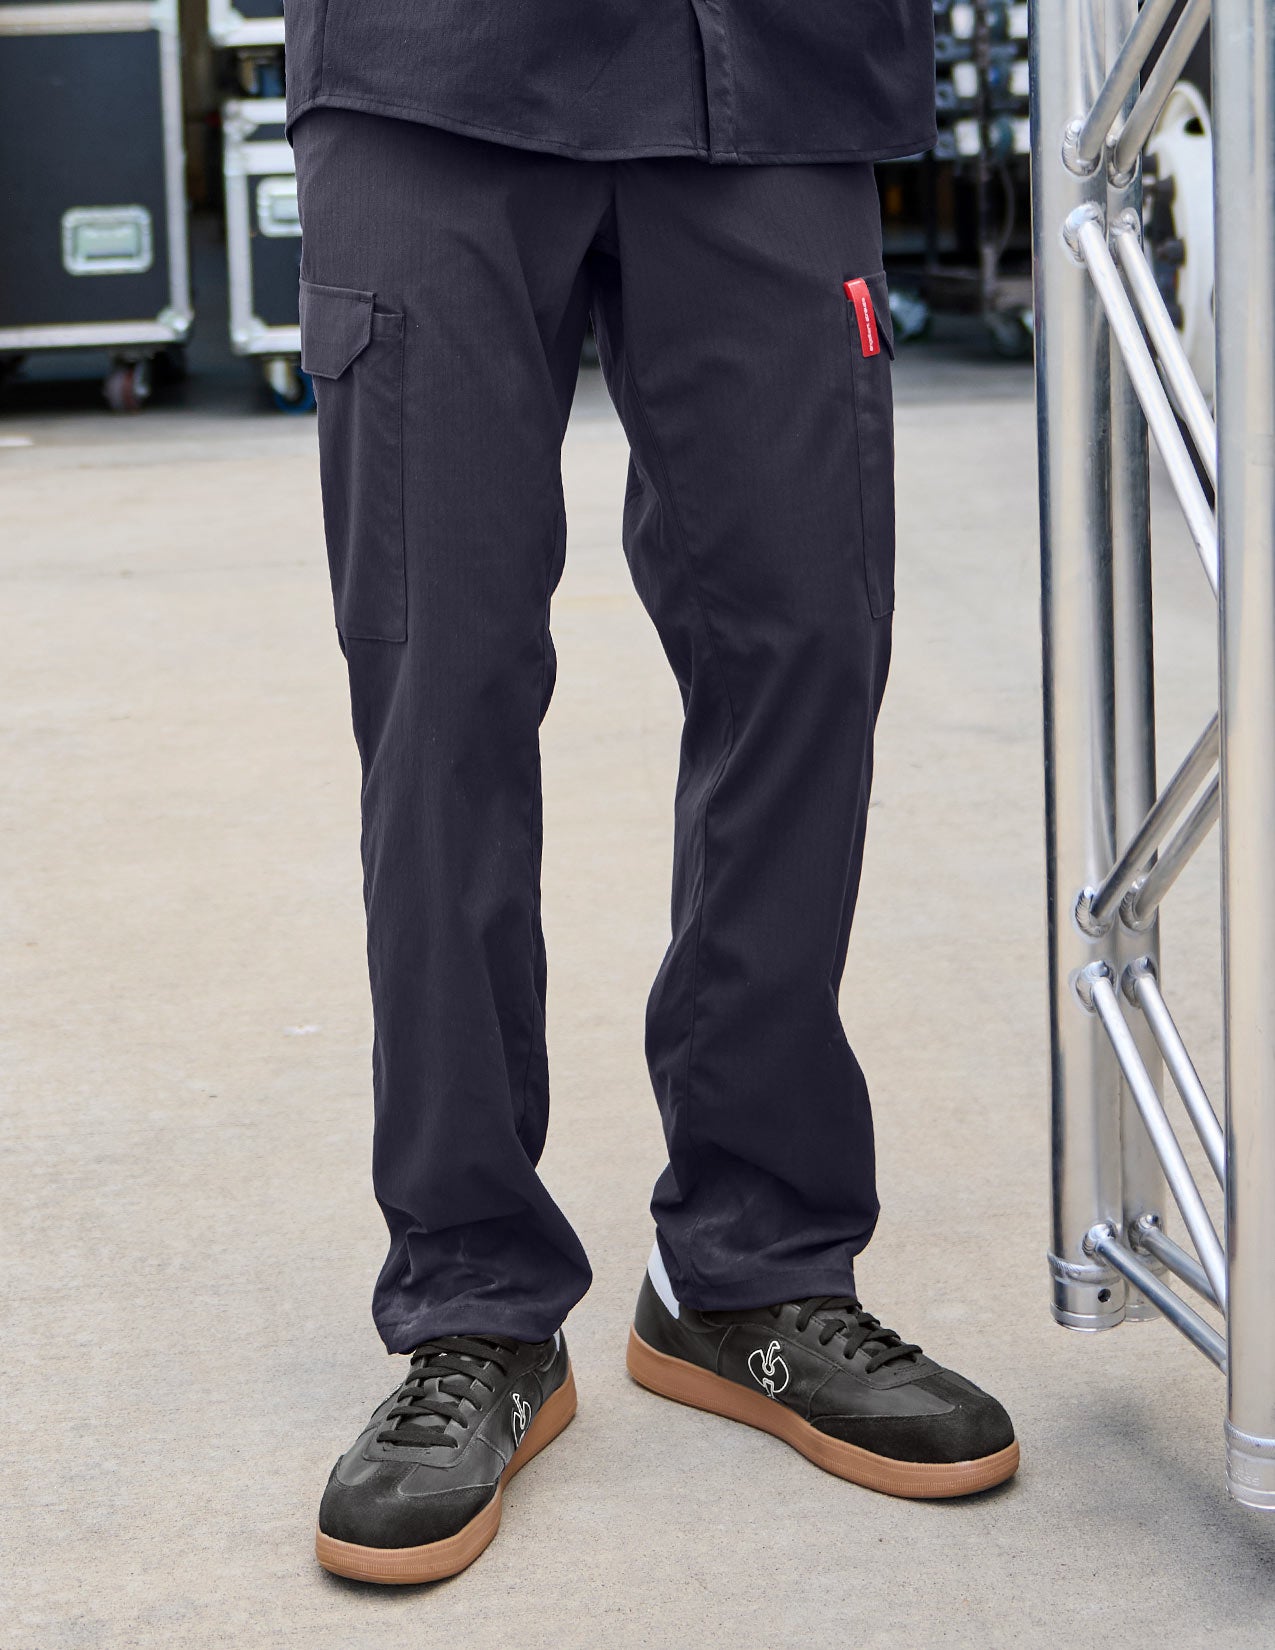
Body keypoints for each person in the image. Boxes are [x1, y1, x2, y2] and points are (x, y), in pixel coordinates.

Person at [284, 0, 1019, 1586]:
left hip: (774, 66)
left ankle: (750, 1264)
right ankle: (475, 1301)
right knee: (441, 686)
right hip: (435, 71)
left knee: (808, 644)